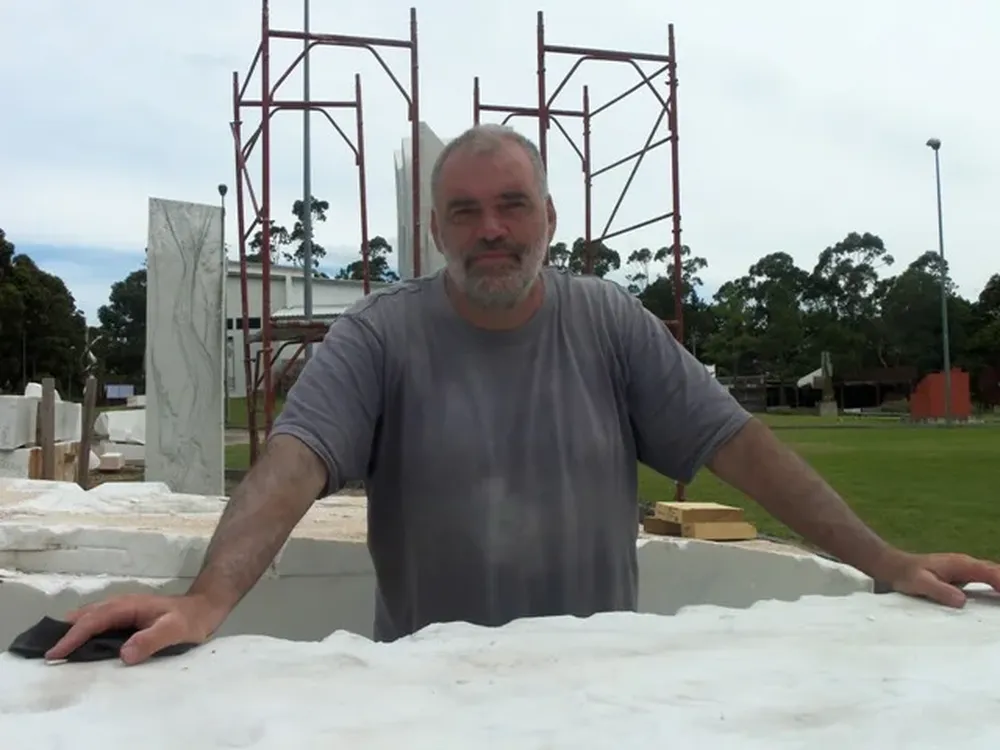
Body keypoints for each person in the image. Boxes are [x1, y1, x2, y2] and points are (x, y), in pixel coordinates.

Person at [47, 124, 1000, 666]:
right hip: (433, 696)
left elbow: (741, 446)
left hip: (597, 691)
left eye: (512, 206)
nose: (491, 229)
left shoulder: (612, 323)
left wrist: (885, 560)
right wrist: (209, 600)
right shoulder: (381, 333)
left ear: (550, 217)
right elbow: (293, 465)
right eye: (466, 210)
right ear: (436, 226)